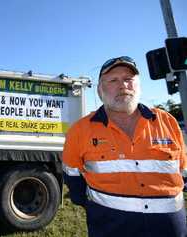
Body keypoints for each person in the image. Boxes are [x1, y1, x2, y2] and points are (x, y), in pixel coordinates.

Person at [62, 56, 187, 237]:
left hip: (170, 229)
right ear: (99, 90)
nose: (123, 86)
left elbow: (182, 172)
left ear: (139, 85)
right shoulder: (80, 130)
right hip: (110, 227)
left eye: (128, 79)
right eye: (113, 80)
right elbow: (74, 181)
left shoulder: (167, 121)